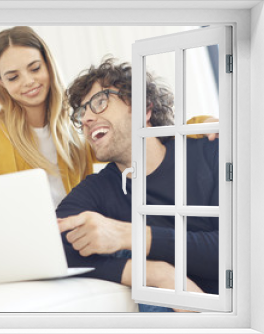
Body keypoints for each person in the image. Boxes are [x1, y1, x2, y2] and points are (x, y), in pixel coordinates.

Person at [0, 26, 215, 209]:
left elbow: (128, 136)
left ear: (48, 64)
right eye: (13, 77)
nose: (28, 82)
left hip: (79, 242)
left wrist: (198, 125)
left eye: (34, 68)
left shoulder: (79, 124)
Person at [57, 57, 219, 312]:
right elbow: (54, 245)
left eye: (99, 102)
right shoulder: (98, 189)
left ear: (144, 108)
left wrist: (130, 236)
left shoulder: (210, 151)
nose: (86, 117)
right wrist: (156, 274)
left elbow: (238, 250)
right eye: (81, 111)